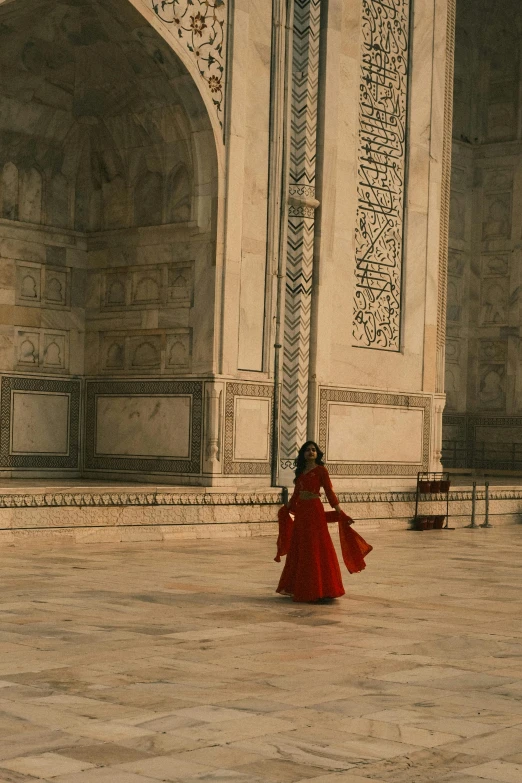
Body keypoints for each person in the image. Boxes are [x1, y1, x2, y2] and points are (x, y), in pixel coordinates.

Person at [275, 441, 350, 602]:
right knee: (302, 546)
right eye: (308, 450)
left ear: (317, 453)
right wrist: (286, 508)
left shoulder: (321, 471)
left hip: (315, 511)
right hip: (302, 512)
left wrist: (339, 511)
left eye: (313, 450)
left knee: (315, 546)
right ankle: (301, 587)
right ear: (303, 454)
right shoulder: (301, 472)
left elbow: (329, 492)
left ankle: (320, 588)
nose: (311, 452)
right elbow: (296, 494)